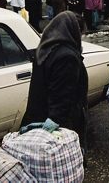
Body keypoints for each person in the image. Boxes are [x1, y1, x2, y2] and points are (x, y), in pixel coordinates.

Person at [21, 12, 88, 147]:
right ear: (73, 32)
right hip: (61, 126)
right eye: (80, 33)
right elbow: (62, 96)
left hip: (38, 116)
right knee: (64, 163)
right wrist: (53, 125)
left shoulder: (46, 49)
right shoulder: (67, 57)